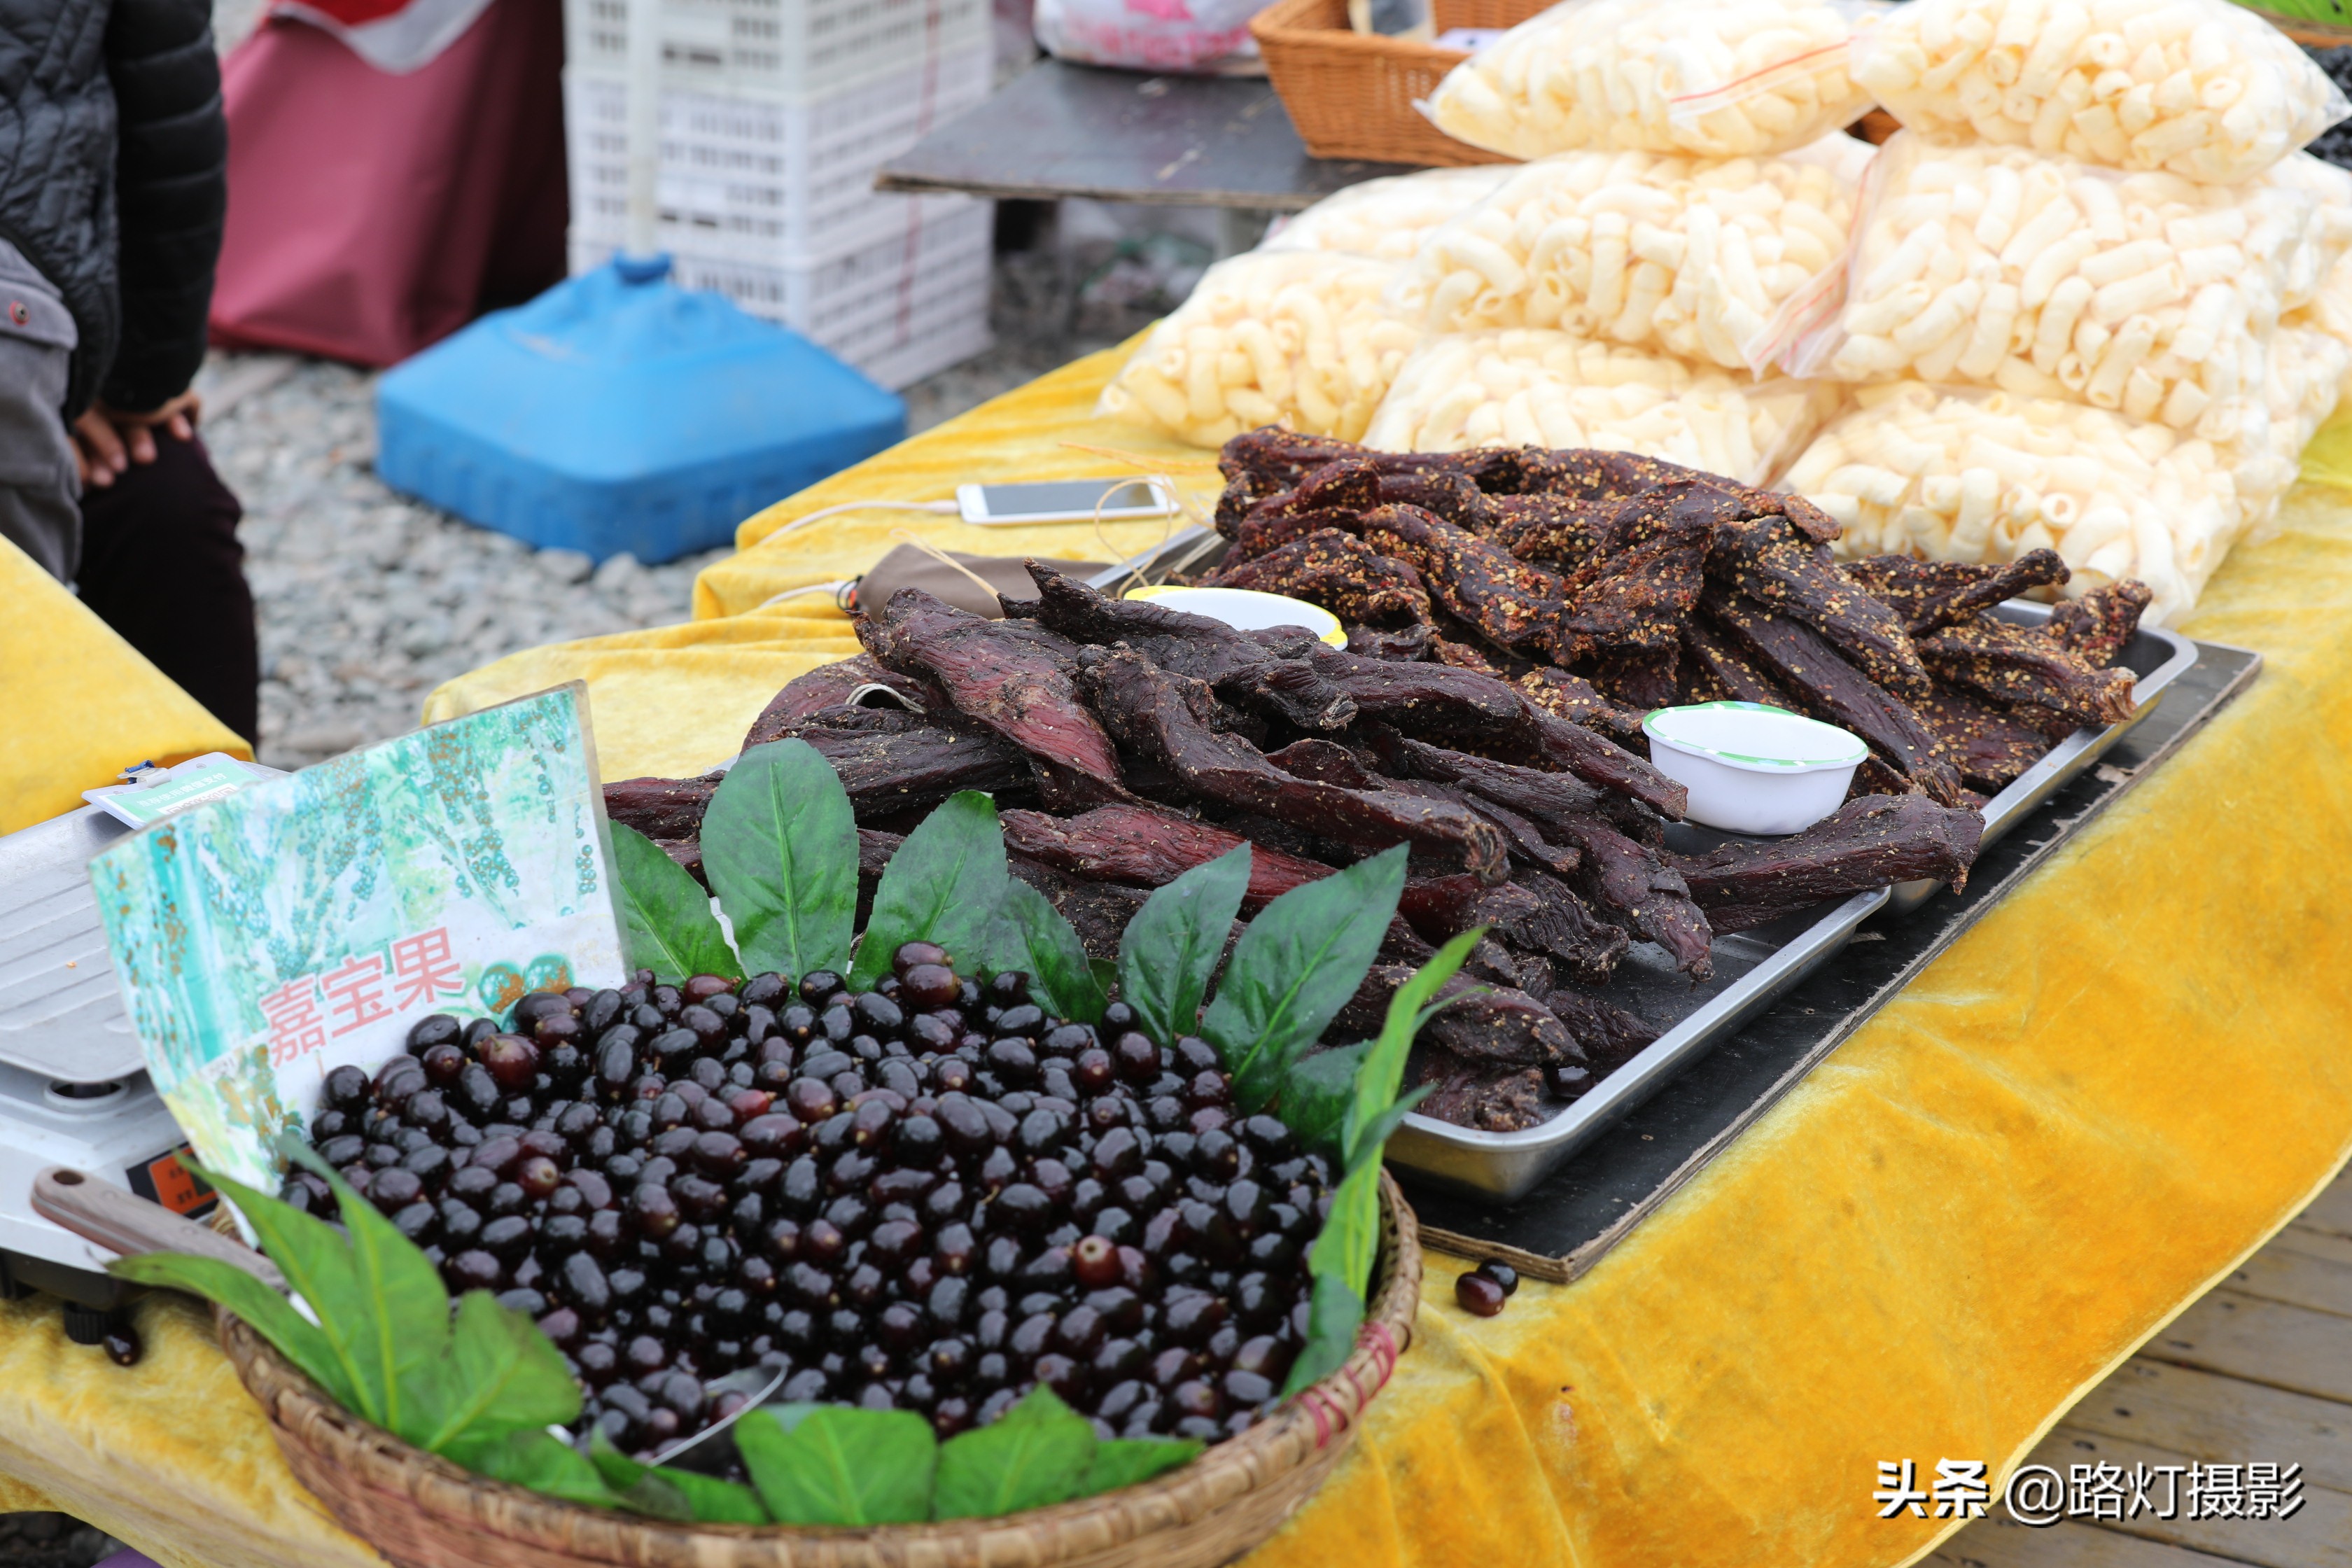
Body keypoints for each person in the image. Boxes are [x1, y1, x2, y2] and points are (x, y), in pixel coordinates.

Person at [0, 0, 258, 746]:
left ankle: (211, 801)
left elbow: (169, 108)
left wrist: (114, 379)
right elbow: (173, 115)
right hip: (28, 324)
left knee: (163, 502)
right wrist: (120, 375)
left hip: (36, 314)